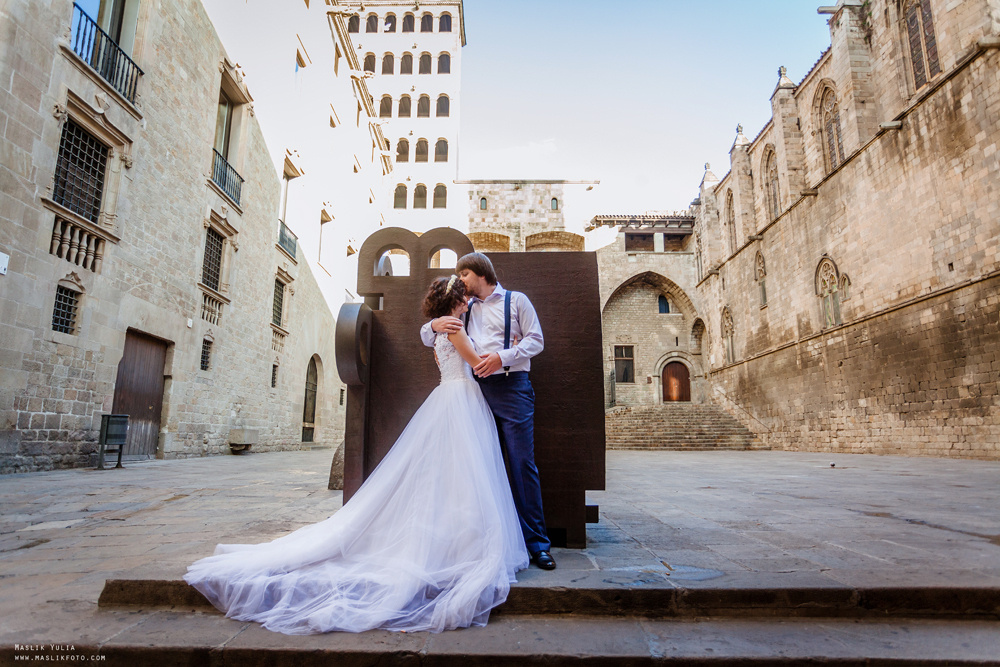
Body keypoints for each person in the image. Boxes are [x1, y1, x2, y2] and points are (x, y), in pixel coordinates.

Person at [184, 276, 528, 635]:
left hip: (451, 398)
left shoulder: (443, 328)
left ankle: (456, 543)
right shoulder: (453, 327)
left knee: (453, 475)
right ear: (454, 302)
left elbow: (442, 339)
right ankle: (463, 547)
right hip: (460, 400)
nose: (468, 301)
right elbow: (477, 363)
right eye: (464, 297)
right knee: (463, 473)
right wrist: (511, 350)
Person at [420, 252, 555, 571]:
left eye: (463, 274)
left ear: (479, 273)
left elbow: (536, 340)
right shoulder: (462, 307)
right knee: (476, 465)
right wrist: (434, 324)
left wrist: (503, 357)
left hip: (511, 387)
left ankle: (537, 545)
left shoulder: (517, 301)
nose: (460, 280)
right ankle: (483, 542)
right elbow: (430, 336)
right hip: (473, 391)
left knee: (521, 463)